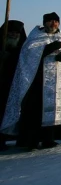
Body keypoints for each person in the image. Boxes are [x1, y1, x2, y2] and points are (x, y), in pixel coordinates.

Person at [1, 13, 61, 150]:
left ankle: (48, 139)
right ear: (44, 23)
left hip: (57, 82)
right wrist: (46, 50)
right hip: (37, 82)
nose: (53, 24)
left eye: (56, 22)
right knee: (35, 112)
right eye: (50, 21)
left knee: (54, 111)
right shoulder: (35, 38)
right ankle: (31, 141)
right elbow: (28, 57)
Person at [0, 20, 27, 150]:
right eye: (10, 32)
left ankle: (16, 138)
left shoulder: (23, 48)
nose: (13, 35)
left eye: (16, 33)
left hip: (16, 85)